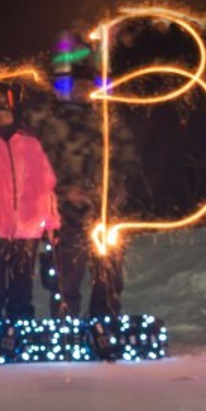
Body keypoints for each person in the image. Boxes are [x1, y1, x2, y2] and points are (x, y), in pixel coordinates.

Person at [25, 70, 141, 318]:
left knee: (109, 268)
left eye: (90, 85)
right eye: (80, 86)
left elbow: (128, 157)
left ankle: (105, 319)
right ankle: (66, 322)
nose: (85, 91)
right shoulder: (56, 121)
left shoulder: (109, 119)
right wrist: (64, 189)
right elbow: (41, 161)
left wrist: (120, 186)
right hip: (69, 209)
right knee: (68, 271)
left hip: (106, 206)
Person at [0, 87, 60, 322]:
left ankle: (21, 325)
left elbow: (47, 184)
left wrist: (51, 223)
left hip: (28, 225)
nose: (2, 119)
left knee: (23, 282)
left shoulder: (31, 144)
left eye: (6, 115)